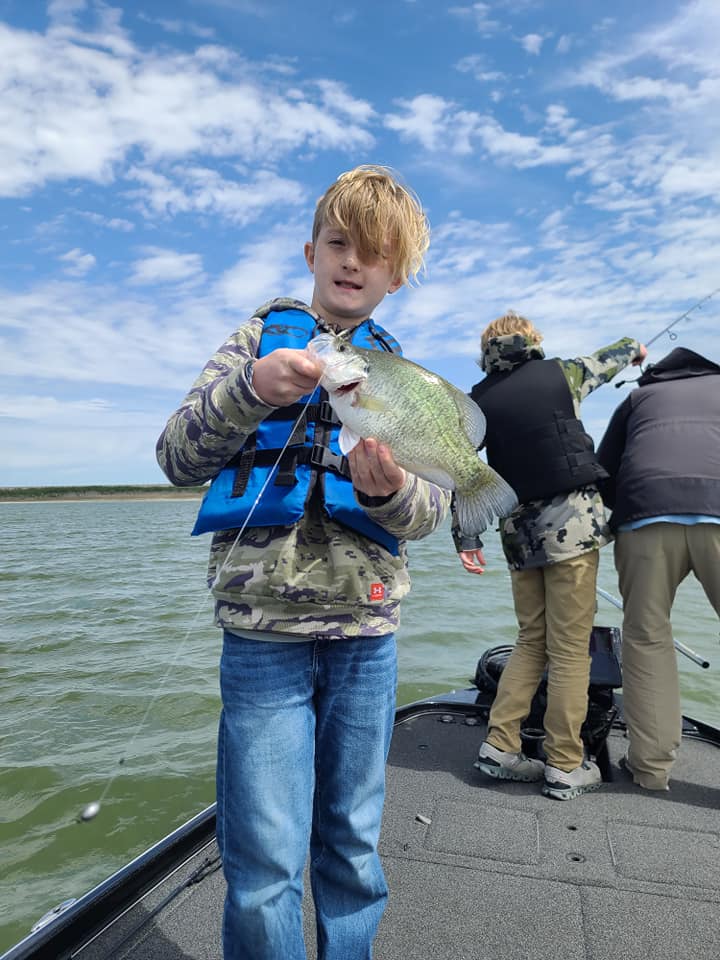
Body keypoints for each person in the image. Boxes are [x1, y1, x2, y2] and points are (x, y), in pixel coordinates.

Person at [156, 165, 450, 960]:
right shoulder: (258, 341)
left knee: (353, 844)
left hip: (367, 636)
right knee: (263, 861)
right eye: (339, 242)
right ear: (311, 251)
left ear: (397, 276)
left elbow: (428, 511)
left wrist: (393, 492)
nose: (354, 262)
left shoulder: (401, 374)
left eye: (375, 253)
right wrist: (251, 388)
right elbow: (175, 457)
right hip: (263, 637)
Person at [455, 311, 646, 800]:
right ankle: (564, 763)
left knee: (530, 640)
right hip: (573, 530)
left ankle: (501, 746)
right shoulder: (563, 373)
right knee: (570, 650)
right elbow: (611, 358)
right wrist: (634, 348)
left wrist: (466, 537)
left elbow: (459, 469)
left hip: (519, 537)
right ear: (532, 341)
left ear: (486, 351)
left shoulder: (476, 402)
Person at [596, 346, 720, 791]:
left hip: (644, 517)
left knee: (647, 637)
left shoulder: (637, 399)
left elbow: (604, 472)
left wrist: (630, 506)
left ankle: (650, 769)